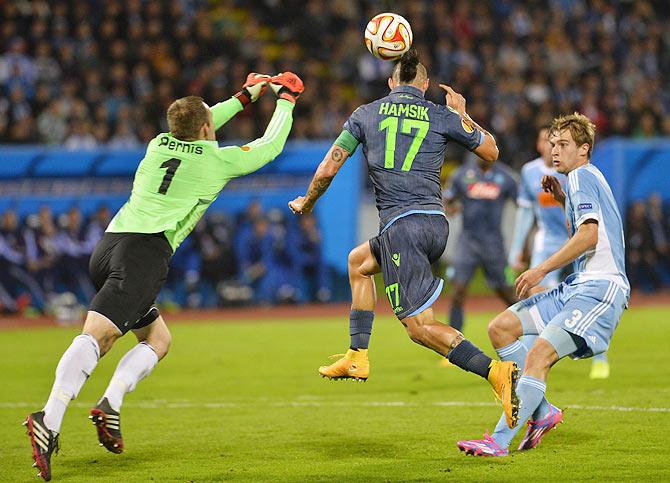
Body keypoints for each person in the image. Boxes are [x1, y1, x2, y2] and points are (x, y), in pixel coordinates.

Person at [24, 71, 304, 481]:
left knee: (158, 339)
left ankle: (111, 404)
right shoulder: (216, 161)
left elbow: (202, 120)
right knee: (96, 338)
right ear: (206, 128)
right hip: (145, 254)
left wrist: (246, 95)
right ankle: (48, 419)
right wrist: (286, 100)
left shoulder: (158, 144)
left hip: (109, 247)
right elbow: (270, 145)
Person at [288, 49, 519, 429]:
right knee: (359, 263)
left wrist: (308, 200)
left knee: (420, 328)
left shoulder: (365, 114)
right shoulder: (441, 114)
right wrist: (462, 112)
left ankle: (496, 372)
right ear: (425, 85)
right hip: (434, 224)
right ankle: (357, 353)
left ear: (391, 82)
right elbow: (491, 151)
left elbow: (329, 165)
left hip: (402, 227)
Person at [457, 112, 629, 457]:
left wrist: (540, 270)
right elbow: (586, 230)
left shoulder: (581, 175)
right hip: (578, 285)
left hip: (600, 287)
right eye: (553, 144)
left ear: (584, 149)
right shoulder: (581, 180)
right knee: (501, 328)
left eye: (563, 144)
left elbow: (589, 236)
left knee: (538, 355)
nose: (555, 151)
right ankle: (543, 411)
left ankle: (499, 441)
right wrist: (565, 201)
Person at [510, 127, 611, 379]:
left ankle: (600, 358)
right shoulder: (529, 172)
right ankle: (528, 360)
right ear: (539, 144)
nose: (552, 148)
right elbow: (525, 212)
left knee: (589, 297)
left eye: (559, 143)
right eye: (548, 141)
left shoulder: (576, 172)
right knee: (535, 295)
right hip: (548, 240)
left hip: (579, 239)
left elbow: (590, 221)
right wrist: (516, 249)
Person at [443, 157, 518, 333]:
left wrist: (524, 245)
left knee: (506, 291)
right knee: (458, 290)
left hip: (493, 243)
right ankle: (454, 341)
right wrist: (450, 208)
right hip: (467, 241)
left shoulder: (506, 177)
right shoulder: (461, 174)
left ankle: (527, 330)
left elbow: (523, 205)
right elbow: (448, 199)